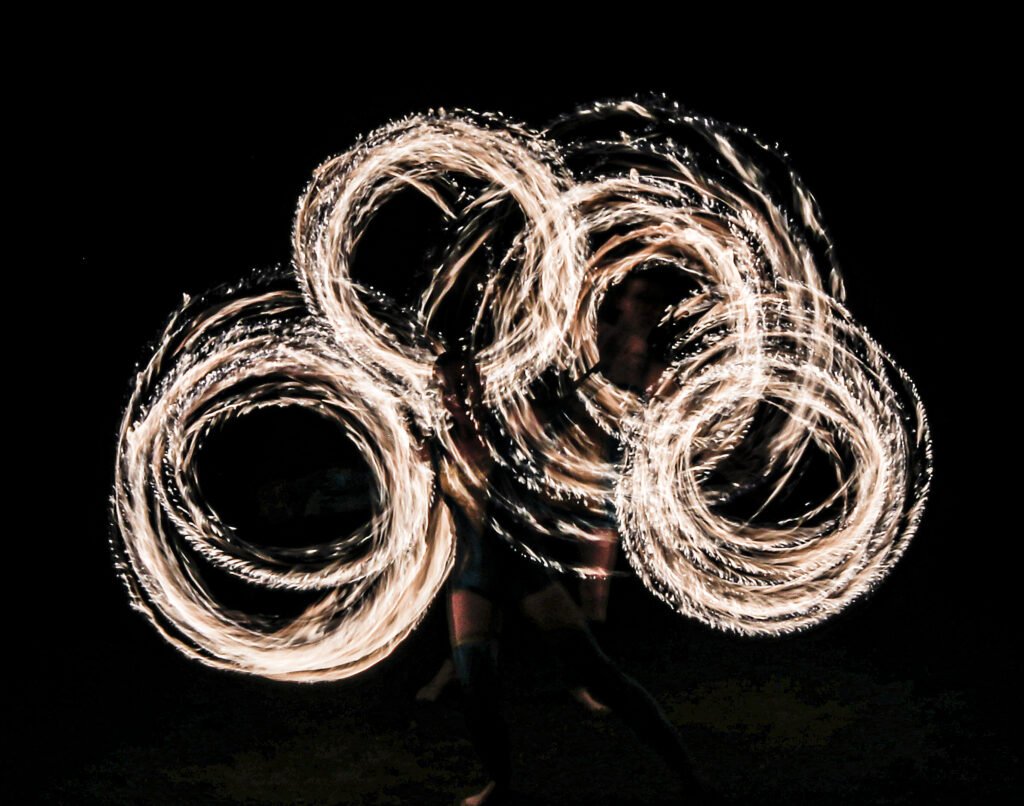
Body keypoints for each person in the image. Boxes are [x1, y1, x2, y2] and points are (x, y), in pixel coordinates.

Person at [431, 347, 706, 806]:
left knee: (598, 675)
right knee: (475, 685)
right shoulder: (434, 441)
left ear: (480, 385)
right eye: (446, 388)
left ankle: (687, 774)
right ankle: (501, 785)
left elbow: (563, 461)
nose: (455, 396)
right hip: (471, 575)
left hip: (521, 571)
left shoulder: (511, 432)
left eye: (463, 384)